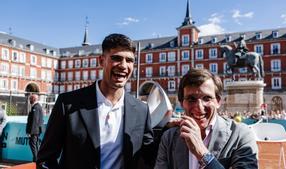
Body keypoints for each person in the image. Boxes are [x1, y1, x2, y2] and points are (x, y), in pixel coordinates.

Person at [37, 33, 155, 169]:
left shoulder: (141, 110)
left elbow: (150, 157)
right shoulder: (67, 104)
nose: (123, 66)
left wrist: (171, 130)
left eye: (129, 60)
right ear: (101, 61)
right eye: (116, 58)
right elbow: (45, 160)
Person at [155, 68, 258, 169]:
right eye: (191, 99)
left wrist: (202, 153)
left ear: (218, 101)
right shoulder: (169, 138)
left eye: (207, 98)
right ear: (182, 103)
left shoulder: (241, 135)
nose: (199, 107)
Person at [26, 94, 44, 162]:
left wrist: (30, 132)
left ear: (34, 99)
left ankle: (36, 161)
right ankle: (36, 160)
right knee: (35, 145)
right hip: (36, 130)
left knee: (33, 145)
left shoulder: (36, 107)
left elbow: (34, 120)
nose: (29, 100)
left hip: (34, 131)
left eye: (30, 98)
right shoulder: (37, 106)